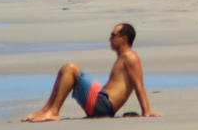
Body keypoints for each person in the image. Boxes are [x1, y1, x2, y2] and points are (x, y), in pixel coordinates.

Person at [21, 23, 161, 122]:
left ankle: (54, 112)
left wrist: (147, 112)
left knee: (71, 67)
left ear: (123, 39)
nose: (109, 39)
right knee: (65, 69)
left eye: (113, 36)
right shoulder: (122, 57)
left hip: (105, 106)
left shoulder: (130, 57)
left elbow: (139, 85)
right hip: (101, 103)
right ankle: (46, 109)